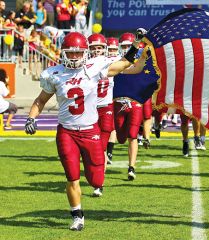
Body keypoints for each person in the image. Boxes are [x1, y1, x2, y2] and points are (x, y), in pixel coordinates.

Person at [24, 29, 146, 231]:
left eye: (78, 52)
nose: (74, 56)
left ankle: (94, 187)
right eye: (70, 52)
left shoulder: (94, 67)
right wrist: (31, 117)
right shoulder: (54, 74)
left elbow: (125, 63)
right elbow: (40, 100)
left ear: (85, 53)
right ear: (63, 52)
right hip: (67, 132)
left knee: (96, 179)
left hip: (90, 131)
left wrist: (136, 44)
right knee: (71, 176)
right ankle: (77, 215)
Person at [113, 32, 147, 181]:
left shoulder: (140, 60)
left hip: (135, 102)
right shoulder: (114, 61)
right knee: (121, 138)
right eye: (125, 46)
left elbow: (142, 66)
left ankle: (131, 167)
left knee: (133, 136)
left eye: (129, 46)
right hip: (118, 103)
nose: (127, 49)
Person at [87, 33, 116, 197]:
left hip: (105, 108)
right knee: (89, 148)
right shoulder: (82, 64)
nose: (97, 50)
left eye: (99, 47)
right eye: (93, 47)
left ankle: (99, 183)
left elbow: (130, 68)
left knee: (101, 147)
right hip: (88, 109)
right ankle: (95, 177)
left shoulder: (110, 62)